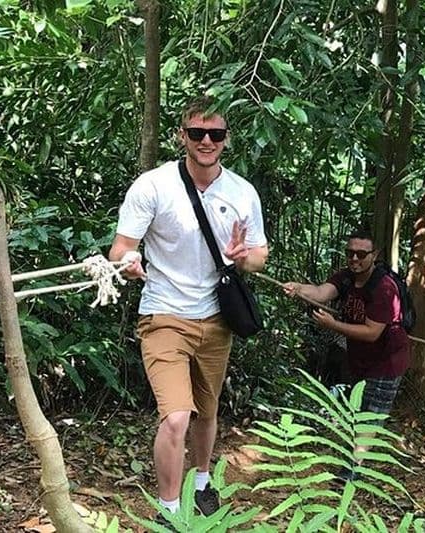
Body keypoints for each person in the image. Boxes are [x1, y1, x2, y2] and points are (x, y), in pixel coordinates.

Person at [108, 96, 268, 519]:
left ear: (226, 139)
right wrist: (128, 263)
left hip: (217, 317)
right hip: (164, 314)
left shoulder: (241, 192)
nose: (206, 141)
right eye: (197, 133)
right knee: (176, 417)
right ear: (182, 136)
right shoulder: (154, 185)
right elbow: (121, 249)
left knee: (207, 411)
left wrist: (241, 257)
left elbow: (259, 256)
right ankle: (169, 510)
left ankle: (201, 481)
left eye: (214, 134)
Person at [282, 230, 410, 480]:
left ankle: (353, 468)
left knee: (372, 413)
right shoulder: (347, 278)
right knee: (357, 409)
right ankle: (352, 457)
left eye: (361, 254)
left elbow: (373, 332)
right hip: (360, 358)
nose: (354, 259)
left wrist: (332, 325)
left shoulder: (384, 288)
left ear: (374, 255)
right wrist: (299, 289)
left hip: (387, 360)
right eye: (350, 253)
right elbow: (321, 293)